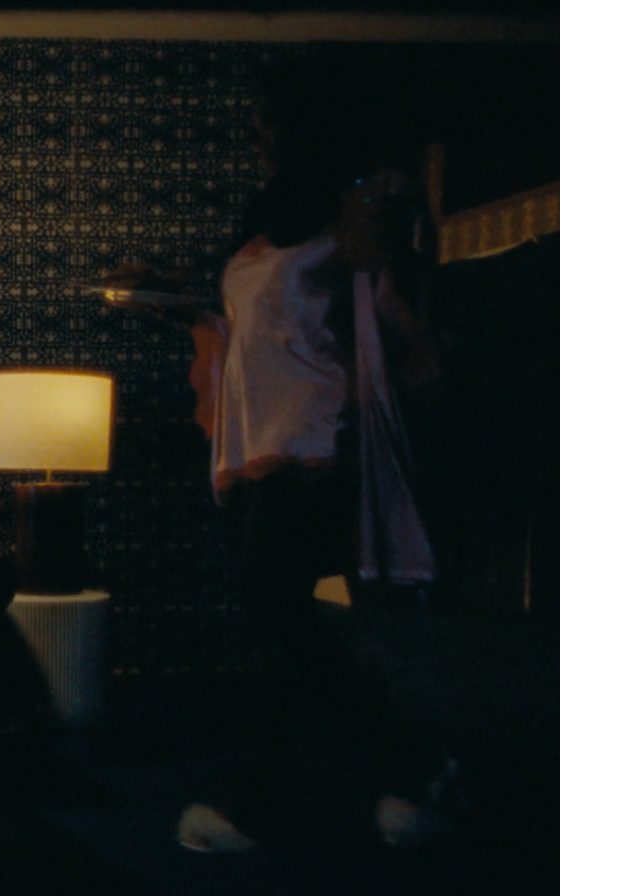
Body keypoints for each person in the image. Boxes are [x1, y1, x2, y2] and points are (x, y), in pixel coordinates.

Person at [104, 66, 456, 853]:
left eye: (273, 124)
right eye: (260, 125)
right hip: (255, 440)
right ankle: (407, 767)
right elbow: (257, 327)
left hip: (314, 440)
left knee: (277, 624)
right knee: (280, 624)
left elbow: (396, 312)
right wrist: (169, 297)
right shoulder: (271, 222)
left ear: (310, 131)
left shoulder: (355, 210)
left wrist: (390, 221)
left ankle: (256, 799)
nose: (261, 139)